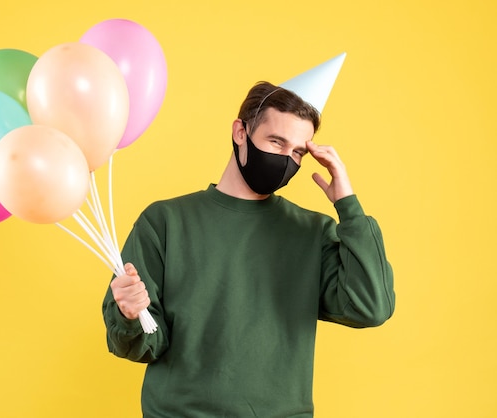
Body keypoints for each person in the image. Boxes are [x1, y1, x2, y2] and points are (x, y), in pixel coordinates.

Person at [102, 81, 395, 417]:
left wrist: (349, 206)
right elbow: (140, 346)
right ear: (240, 132)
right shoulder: (165, 221)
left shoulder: (312, 233)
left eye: (298, 152)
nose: (286, 159)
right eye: (276, 141)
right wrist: (129, 314)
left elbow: (372, 307)